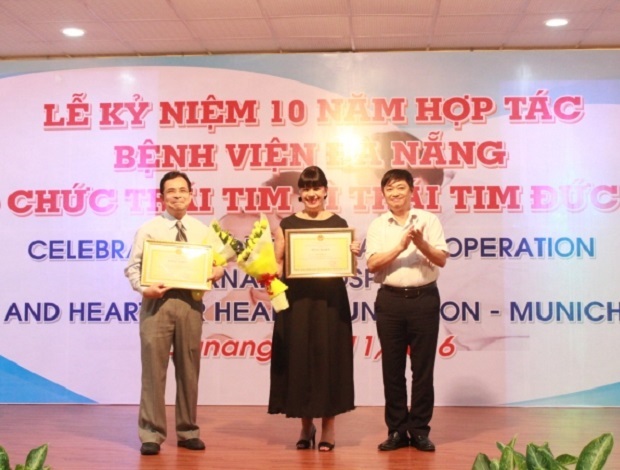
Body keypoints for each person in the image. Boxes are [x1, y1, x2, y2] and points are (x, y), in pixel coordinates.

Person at [124, 171, 225, 456]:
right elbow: (132, 268)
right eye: (171, 191)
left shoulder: (204, 231)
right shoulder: (149, 230)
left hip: (190, 305)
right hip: (157, 303)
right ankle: (151, 433)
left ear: (192, 195)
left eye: (183, 190)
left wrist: (216, 271)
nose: (177, 195)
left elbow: (218, 264)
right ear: (162, 196)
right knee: (153, 372)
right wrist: (145, 289)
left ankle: (188, 430)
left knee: (189, 370)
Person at [268, 165, 359, 452]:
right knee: (299, 361)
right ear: (299, 193)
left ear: (325, 191)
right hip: (297, 303)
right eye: (306, 188)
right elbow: (277, 264)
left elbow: (345, 268)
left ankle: (329, 428)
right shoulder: (287, 225)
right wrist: (266, 268)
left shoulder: (339, 222)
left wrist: (352, 254)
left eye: (316, 188)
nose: (311, 194)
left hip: (330, 303)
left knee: (329, 361)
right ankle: (306, 426)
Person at [365, 169, 448, 452]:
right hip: (390, 302)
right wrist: (401, 246)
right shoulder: (378, 225)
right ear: (384, 193)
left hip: (424, 299)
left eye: (400, 187)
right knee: (392, 369)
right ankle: (398, 431)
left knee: (423, 370)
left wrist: (420, 242)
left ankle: (420, 430)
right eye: (389, 189)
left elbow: (441, 259)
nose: (395, 193)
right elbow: (373, 264)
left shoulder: (428, 220)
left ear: (412, 191)